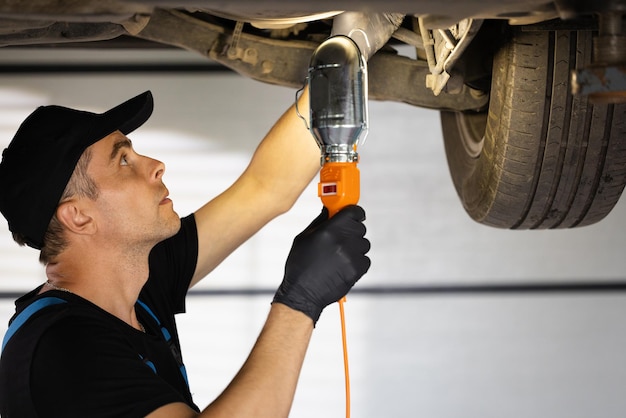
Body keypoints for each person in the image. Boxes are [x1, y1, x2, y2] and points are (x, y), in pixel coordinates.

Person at [0, 90, 370, 417]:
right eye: (123, 161)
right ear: (79, 216)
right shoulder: (63, 348)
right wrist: (299, 301)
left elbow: (265, 187)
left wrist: (337, 66)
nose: (156, 165)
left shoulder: (135, 285)